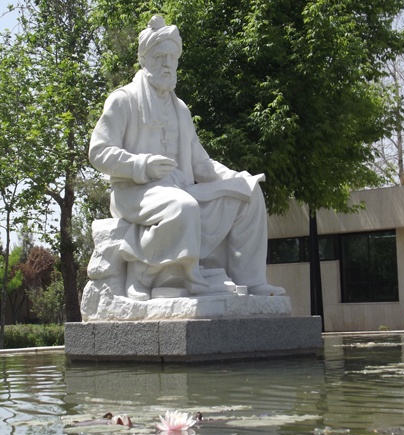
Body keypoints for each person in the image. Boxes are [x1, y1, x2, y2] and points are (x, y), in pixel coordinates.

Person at [89, 15, 285, 301]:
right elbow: (99, 151)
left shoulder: (180, 109)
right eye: (160, 57)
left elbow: (200, 164)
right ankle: (144, 272)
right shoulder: (124, 100)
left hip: (179, 189)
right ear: (144, 60)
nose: (167, 64)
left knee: (249, 194)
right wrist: (142, 165)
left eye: (172, 57)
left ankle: (250, 281)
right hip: (135, 192)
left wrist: (235, 178)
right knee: (183, 207)